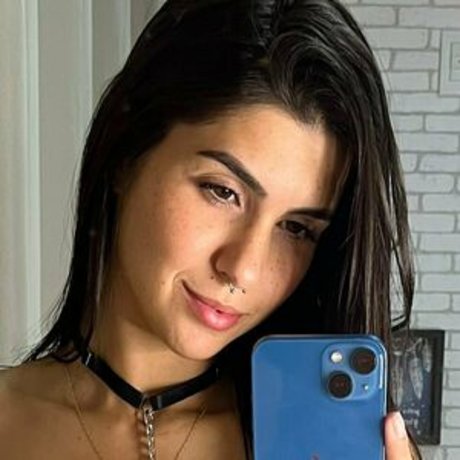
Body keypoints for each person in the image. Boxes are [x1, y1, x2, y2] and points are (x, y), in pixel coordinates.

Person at [0, 0, 420, 458]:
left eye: (296, 227)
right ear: (127, 152)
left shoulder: (347, 448)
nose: (244, 269)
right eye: (222, 192)